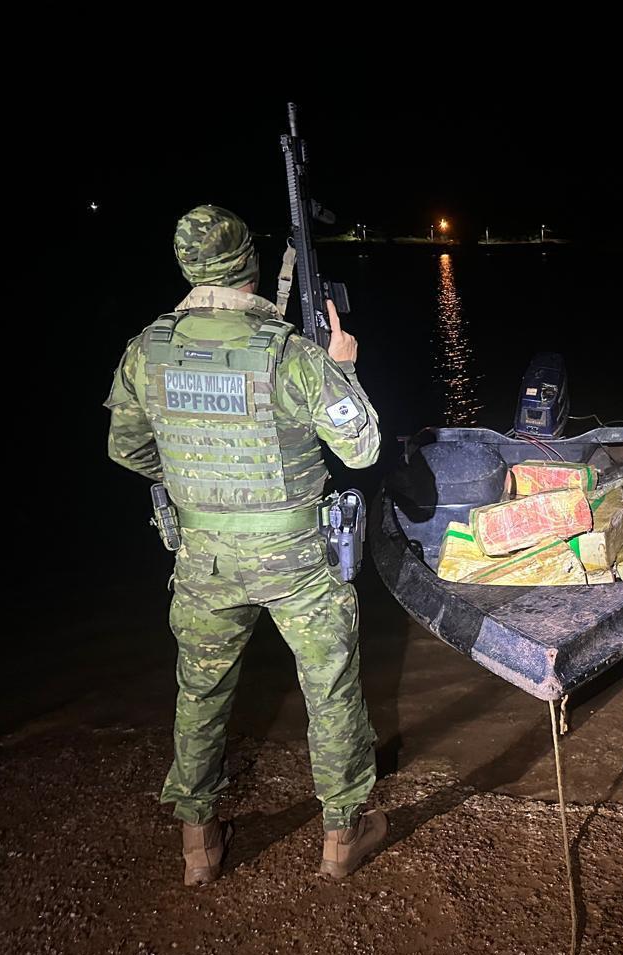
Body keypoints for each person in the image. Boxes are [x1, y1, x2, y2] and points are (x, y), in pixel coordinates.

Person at [104, 204, 386, 885]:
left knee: (200, 692)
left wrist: (195, 474)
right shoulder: (290, 354)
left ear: (189, 268)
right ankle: (341, 838)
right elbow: (364, 447)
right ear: (249, 267)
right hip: (295, 560)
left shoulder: (147, 349)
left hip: (203, 558)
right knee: (330, 689)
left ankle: (199, 845)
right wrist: (342, 366)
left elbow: (127, 450)